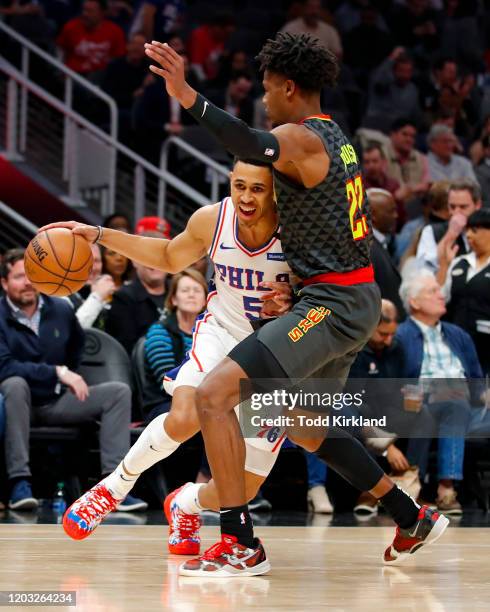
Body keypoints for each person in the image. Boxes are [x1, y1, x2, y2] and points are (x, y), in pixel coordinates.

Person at [140, 32, 448, 574]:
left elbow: (249, 143)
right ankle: (409, 514)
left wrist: (188, 95)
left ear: (287, 86)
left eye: (266, 90)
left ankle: (240, 541)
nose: (264, 100)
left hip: (330, 303)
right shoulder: (338, 136)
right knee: (298, 420)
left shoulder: (299, 137)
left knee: (214, 395)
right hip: (350, 298)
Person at [41, 159, 297, 550]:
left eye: (257, 189)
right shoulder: (213, 219)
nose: (245, 197)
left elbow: (327, 294)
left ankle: (185, 502)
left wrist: (294, 301)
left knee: (242, 487)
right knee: (185, 414)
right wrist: (98, 234)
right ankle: (114, 487)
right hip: (222, 334)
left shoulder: (299, 230)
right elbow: (166, 255)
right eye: (239, 185)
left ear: (276, 190)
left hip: (276, 348)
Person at [0, 249, 146, 512]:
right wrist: (57, 372)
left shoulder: (60, 308)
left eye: (32, 275)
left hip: (56, 401)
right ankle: (18, 483)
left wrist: (66, 375)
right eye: (20, 276)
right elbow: (5, 366)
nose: (28, 282)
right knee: (13, 384)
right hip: (14, 405)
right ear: (4, 282)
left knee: (118, 392)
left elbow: (76, 347)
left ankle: (113, 488)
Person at [397, 270, 481, 514]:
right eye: (433, 291)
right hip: (419, 401)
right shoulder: (401, 336)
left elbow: (475, 380)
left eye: (440, 290)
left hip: (460, 402)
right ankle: (444, 488)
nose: (441, 295)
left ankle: (429, 487)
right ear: (414, 302)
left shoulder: (458, 335)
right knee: (443, 406)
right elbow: (396, 380)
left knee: (456, 404)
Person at [144, 269, 207, 420]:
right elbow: (168, 383)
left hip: (203, 398)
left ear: (206, 300)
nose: (191, 295)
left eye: (197, 291)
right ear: (173, 299)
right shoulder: (159, 332)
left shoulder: (211, 333)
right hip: (164, 404)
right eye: (185, 290)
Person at [437, 209, 490, 374]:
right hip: (457, 339)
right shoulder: (459, 262)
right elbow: (440, 296)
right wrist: (444, 265)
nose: (469, 236)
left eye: (474, 230)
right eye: (467, 230)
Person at [416, 178, 481, 272]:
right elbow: (424, 269)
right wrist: (450, 235)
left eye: (463, 207)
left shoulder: (487, 230)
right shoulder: (431, 231)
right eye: (452, 207)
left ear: (477, 205)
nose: (456, 212)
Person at [105, 258, 168, 355]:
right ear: (135, 261)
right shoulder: (123, 298)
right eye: (148, 257)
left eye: (160, 256)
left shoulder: (180, 291)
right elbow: (126, 347)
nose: (155, 263)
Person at [56, 0, 126, 78]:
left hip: (97, 79)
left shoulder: (115, 31)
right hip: (71, 75)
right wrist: (60, 70)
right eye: (84, 10)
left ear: (102, 13)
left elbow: (118, 59)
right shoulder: (71, 26)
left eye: (90, 11)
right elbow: (60, 50)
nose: (85, 14)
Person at [368, 189, 405, 319]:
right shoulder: (368, 249)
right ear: (372, 215)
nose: (396, 215)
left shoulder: (380, 243)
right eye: (391, 211)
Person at [65, 243, 116, 329]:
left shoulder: (108, 293)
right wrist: (97, 297)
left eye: (97, 261)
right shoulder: (60, 295)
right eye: (86, 260)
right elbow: (72, 332)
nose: (93, 267)